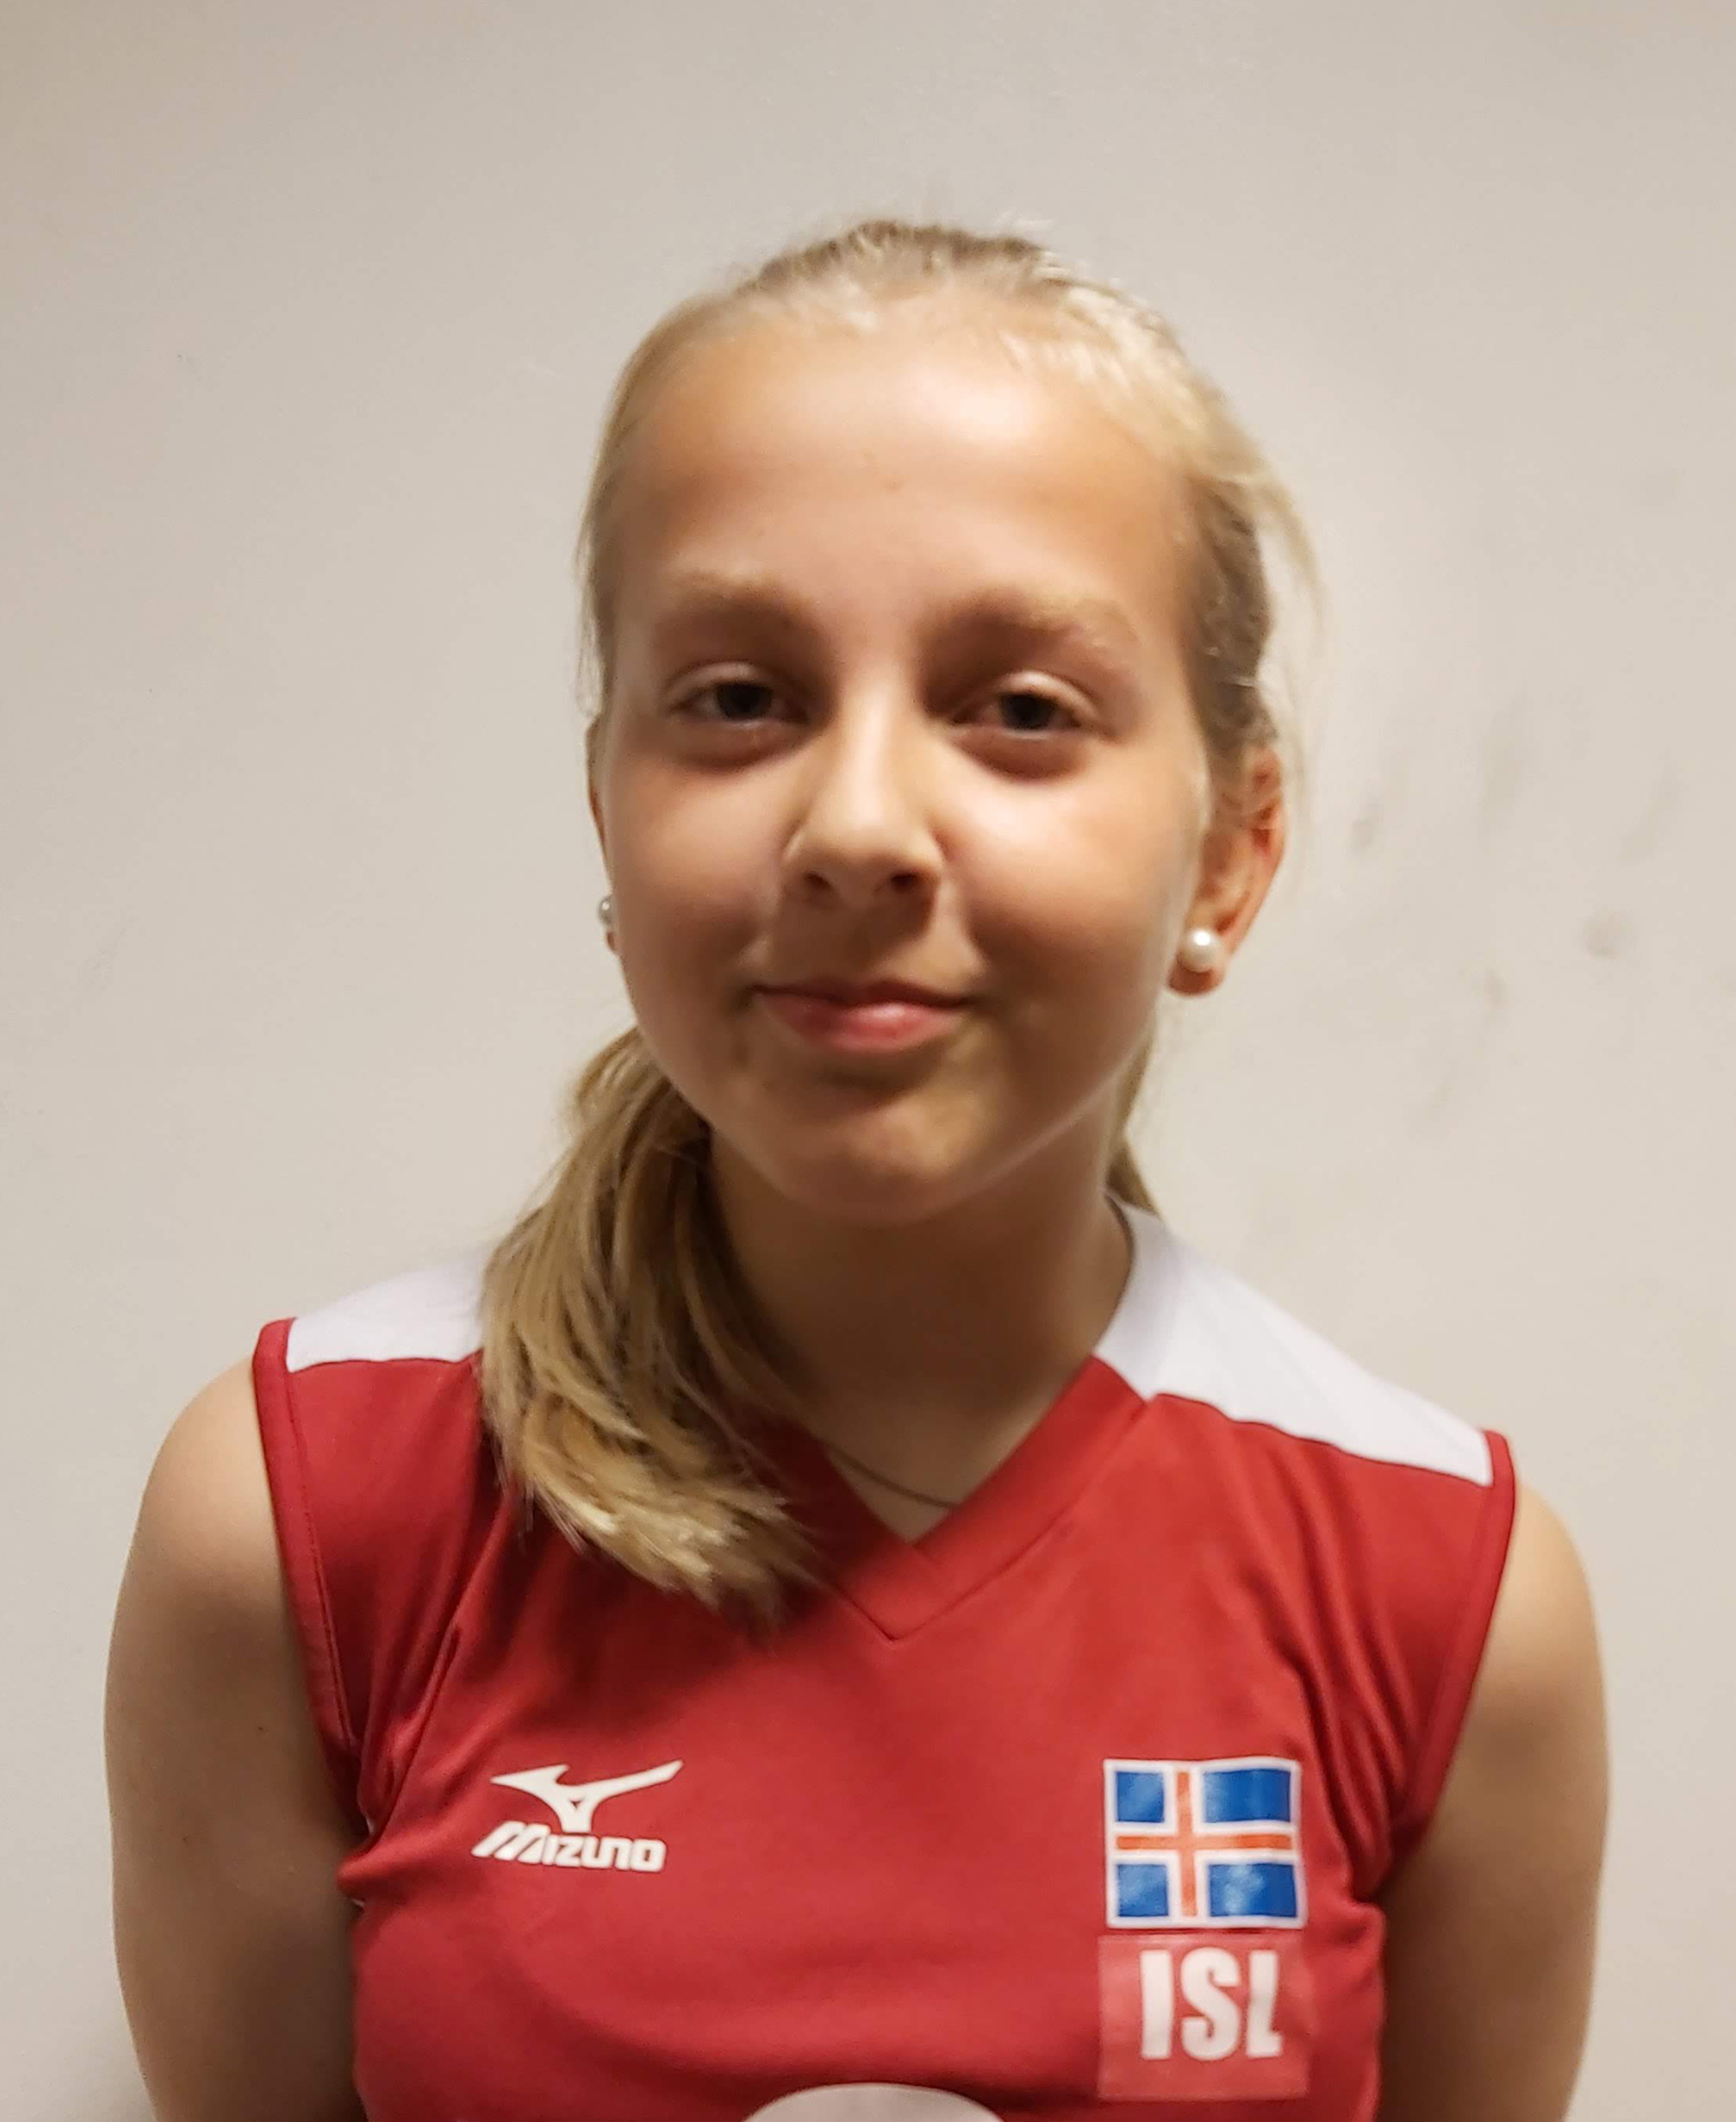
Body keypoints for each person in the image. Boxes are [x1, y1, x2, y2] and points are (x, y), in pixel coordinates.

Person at [104, 217, 1607, 2122]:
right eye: (740, 696)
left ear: (1230, 853)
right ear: (607, 805)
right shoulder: (301, 1512)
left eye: (1020, 708)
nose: (860, 824)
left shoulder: (1446, 1590)